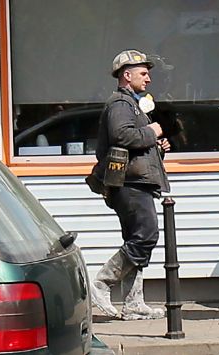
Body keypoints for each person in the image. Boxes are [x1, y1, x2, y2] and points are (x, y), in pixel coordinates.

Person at [87, 50, 171, 320]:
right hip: (129, 183)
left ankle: (134, 303)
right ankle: (101, 283)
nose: (148, 79)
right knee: (146, 235)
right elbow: (122, 135)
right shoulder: (121, 104)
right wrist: (152, 132)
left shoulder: (131, 104)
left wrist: (158, 147)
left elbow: (135, 142)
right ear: (127, 75)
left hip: (134, 180)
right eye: (143, 73)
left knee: (135, 239)